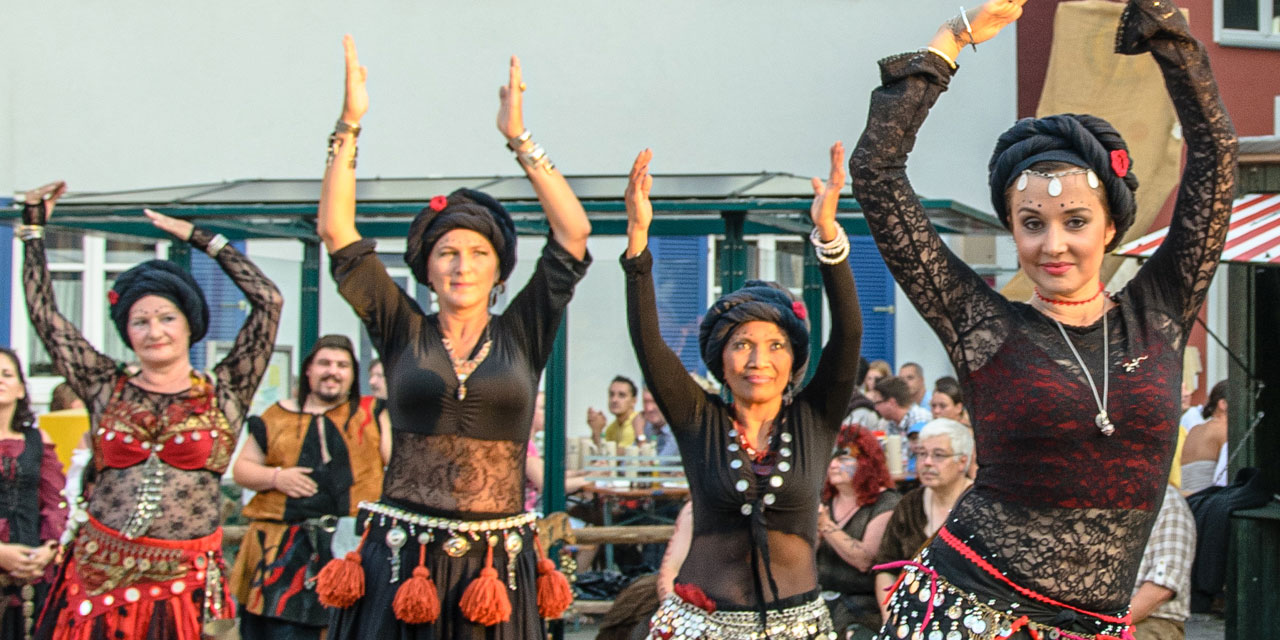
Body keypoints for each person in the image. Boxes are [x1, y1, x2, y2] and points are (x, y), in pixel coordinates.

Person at [849, 0, 1236, 634]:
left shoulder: (1160, 310)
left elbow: (1215, 159)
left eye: (1075, 221)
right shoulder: (982, 326)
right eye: (1032, 225)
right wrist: (950, 42)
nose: (1053, 244)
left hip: (1094, 624)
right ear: (1013, 231)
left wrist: (1166, 33)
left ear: (1111, 225)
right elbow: (878, 174)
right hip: (968, 614)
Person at [314, 38, 589, 638]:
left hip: (496, 564)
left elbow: (573, 234)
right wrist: (349, 124)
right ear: (428, 268)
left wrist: (520, 139)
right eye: (447, 254)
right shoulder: (401, 327)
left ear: (498, 269)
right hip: (401, 556)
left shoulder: (523, 330)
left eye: (476, 253)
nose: (462, 266)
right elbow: (338, 232)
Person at [19, 184, 283, 640]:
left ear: (189, 324)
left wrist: (203, 239)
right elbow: (46, 317)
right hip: (99, 578)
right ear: (127, 331)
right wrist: (34, 230)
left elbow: (269, 301)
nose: (154, 331)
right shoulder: (105, 386)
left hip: (185, 587)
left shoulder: (226, 391)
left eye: (166, 318)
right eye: (140, 321)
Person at [624, 141, 861, 639]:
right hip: (700, 627)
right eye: (742, 345)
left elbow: (850, 334)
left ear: (794, 360)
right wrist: (639, 241)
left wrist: (829, 237)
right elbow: (650, 345)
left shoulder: (814, 419)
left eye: (776, 345)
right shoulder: (698, 420)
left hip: (800, 628)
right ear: (720, 360)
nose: (759, 360)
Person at [229, 335, 387, 640]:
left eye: (342, 365)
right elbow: (242, 469)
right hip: (280, 551)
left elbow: (399, 466)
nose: (333, 371)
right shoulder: (276, 415)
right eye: (324, 363)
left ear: (353, 374)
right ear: (308, 370)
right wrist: (277, 478)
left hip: (352, 549)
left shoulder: (372, 413)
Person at [871, 419, 973, 622]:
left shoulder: (979, 507)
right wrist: (890, 618)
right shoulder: (910, 504)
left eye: (938, 455)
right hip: (909, 617)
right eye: (922, 454)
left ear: (962, 461)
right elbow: (886, 568)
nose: (926, 462)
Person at [0, 349, 67, 639]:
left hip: (32, 569)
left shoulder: (38, 441)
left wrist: (49, 547)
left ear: (19, 388)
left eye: (6, 374)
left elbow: (54, 501)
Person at [815, 427, 899, 635]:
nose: (833, 465)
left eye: (844, 458)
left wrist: (825, 524)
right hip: (819, 599)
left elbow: (864, 560)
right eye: (831, 457)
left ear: (865, 462)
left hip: (861, 605)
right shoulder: (822, 500)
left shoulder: (886, 503)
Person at [1129, 484, 1195, 640]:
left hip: (1149, 619)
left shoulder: (1167, 500)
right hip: (1087, 619)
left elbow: (1161, 589)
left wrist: (1106, 626)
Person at [1180, 380, 1227, 495]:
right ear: (1223, 404)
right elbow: (1222, 482)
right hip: (1207, 503)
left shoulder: (1194, 430)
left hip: (1186, 503)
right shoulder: (1226, 430)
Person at [588, 376, 643, 448]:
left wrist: (597, 431)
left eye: (621, 395)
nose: (614, 400)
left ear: (633, 401)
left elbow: (621, 455)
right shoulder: (612, 427)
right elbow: (602, 453)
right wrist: (596, 429)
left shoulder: (635, 424)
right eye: (611, 394)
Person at [641, 389, 678, 459]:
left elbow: (657, 466)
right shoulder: (647, 427)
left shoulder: (677, 432)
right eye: (645, 402)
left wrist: (639, 434)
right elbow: (625, 464)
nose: (649, 409)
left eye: (654, 402)